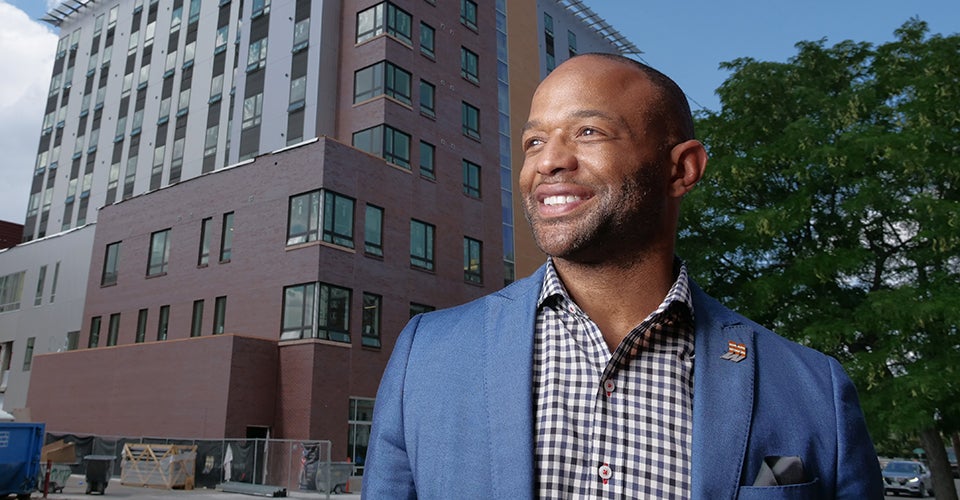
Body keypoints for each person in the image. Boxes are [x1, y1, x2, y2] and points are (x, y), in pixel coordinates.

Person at [362, 53, 882, 498]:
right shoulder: (425, 357)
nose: (548, 162)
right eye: (534, 142)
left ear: (682, 170)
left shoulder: (814, 390)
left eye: (588, 132)